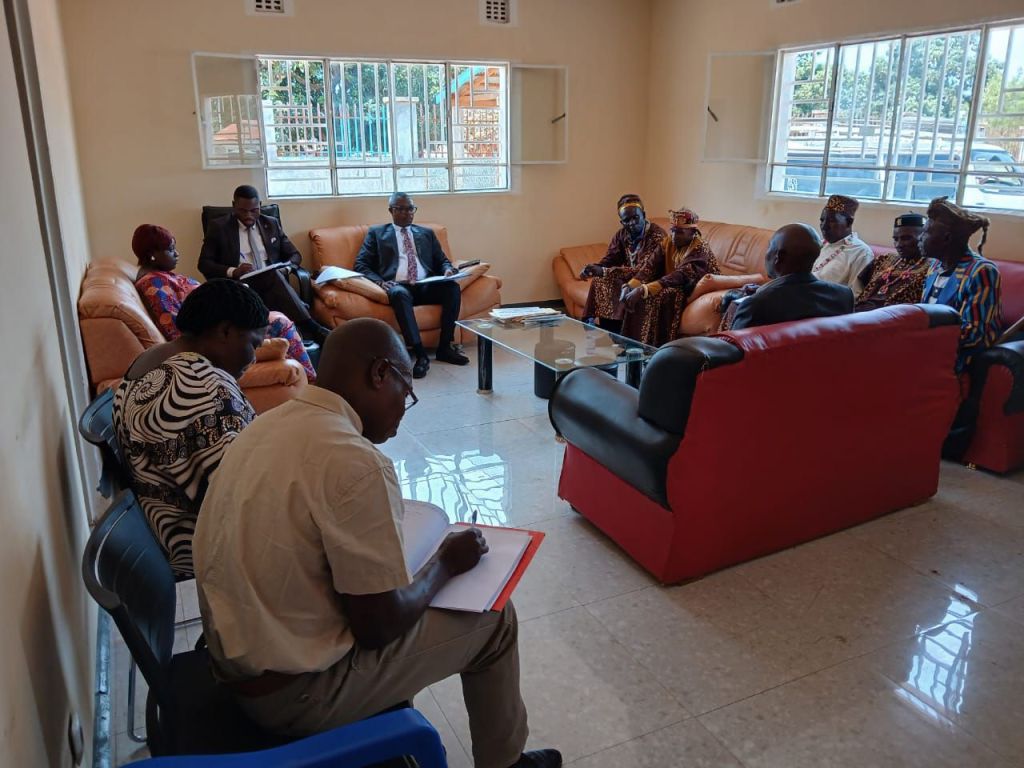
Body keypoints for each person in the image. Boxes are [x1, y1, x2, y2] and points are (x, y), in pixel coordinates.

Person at [193, 318, 562, 768]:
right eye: (406, 394)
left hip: (238, 662)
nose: (404, 410)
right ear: (380, 373)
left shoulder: (268, 424)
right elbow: (378, 628)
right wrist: (445, 562)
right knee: (495, 621)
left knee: (403, 581)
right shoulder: (354, 460)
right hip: (294, 696)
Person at [112, 279, 267, 578]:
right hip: (202, 548)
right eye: (253, 344)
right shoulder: (203, 386)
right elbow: (245, 500)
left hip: (157, 534)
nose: (253, 358)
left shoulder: (149, 361)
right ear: (225, 331)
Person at [132, 224, 316, 382]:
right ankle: (310, 381)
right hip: (221, 327)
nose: (177, 254)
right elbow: (175, 329)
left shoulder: (160, 276)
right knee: (280, 321)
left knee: (273, 290)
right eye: (171, 250)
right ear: (152, 254)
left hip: (225, 318)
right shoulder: (154, 284)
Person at [354, 192, 469, 379]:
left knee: (452, 288)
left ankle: (444, 348)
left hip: (425, 284)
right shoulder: (377, 233)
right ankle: (420, 354)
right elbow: (361, 265)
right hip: (399, 285)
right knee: (399, 294)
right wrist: (380, 282)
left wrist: (447, 270)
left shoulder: (426, 233)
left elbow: (442, 260)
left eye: (410, 209)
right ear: (391, 210)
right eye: (401, 209)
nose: (407, 213)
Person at [198, 185, 331, 345]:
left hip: (272, 283)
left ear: (260, 205)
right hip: (240, 284)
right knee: (273, 279)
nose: (248, 216)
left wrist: (286, 269)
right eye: (242, 211)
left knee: (273, 275)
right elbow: (204, 264)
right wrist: (234, 271)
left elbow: (295, 255)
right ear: (234, 206)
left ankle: (297, 335)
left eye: (254, 210)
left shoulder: (271, 224)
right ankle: (310, 328)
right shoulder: (219, 227)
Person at [919, 196, 1003, 374]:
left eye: (925, 233)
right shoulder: (934, 266)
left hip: (956, 361)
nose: (919, 238)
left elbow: (975, 335)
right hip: (927, 350)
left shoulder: (981, 271)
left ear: (946, 238)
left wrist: (919, 338)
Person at [619, 206, 719, 345]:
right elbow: (649, 267)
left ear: (693, 233)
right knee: (639, 291)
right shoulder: (668, 242)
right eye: (672, 231)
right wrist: (629, 286)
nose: (674, 236)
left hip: (694, 287)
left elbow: (681, 275)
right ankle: (631, 345)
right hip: (674, 282)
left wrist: (644, 289)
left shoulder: (700, 248)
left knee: (662, 294)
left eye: (679, 232)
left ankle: (658, 347)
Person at [729, 223, 854, 331]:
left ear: (778, 257)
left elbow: (731, 349)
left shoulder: (756, 306)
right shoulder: (844, 296)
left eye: (769, 247)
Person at [579, 194, 667, 333]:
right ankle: (610, 333)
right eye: (627, 220)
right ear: (622, 222)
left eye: (635, 218)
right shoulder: (621, 235)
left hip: (650, 279)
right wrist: (595, 268)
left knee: (614, 281)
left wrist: (604, 271)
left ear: (643, 215)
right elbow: (610, 259)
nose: (632, 223)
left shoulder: (657, 236)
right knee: (600, 280)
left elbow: (645, 270)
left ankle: (623, 335)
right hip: (629, 277)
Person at [854, 212, 931, 313]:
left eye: (906, 238)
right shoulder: (884, 259)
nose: (899, 244)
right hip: (857, 312)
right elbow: (858, 288)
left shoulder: (931, 269)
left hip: (890, 318)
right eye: (896, 239)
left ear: (923, 237)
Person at [813, 194, 875, 294]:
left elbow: (855, 294)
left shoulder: (861, 253)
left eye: (832, 221)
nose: (824, 226)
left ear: (849, 222)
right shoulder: (819, 245)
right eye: (822, 220)